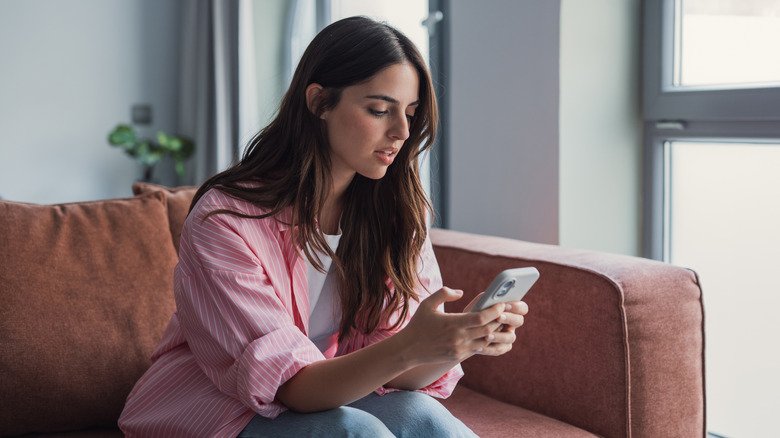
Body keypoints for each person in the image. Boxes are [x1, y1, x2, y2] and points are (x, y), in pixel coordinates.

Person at [118, 16, 529, 438]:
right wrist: (409, 346)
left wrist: (456, 342)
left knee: (426, 419)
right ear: (319, 103)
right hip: (215, 406)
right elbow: (291, 385)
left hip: (325, 389)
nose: (402, 131)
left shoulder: (395, 214)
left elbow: (399, 374)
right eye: (379, 110)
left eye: (409, 113)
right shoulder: (224, 220)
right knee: (355, 432)